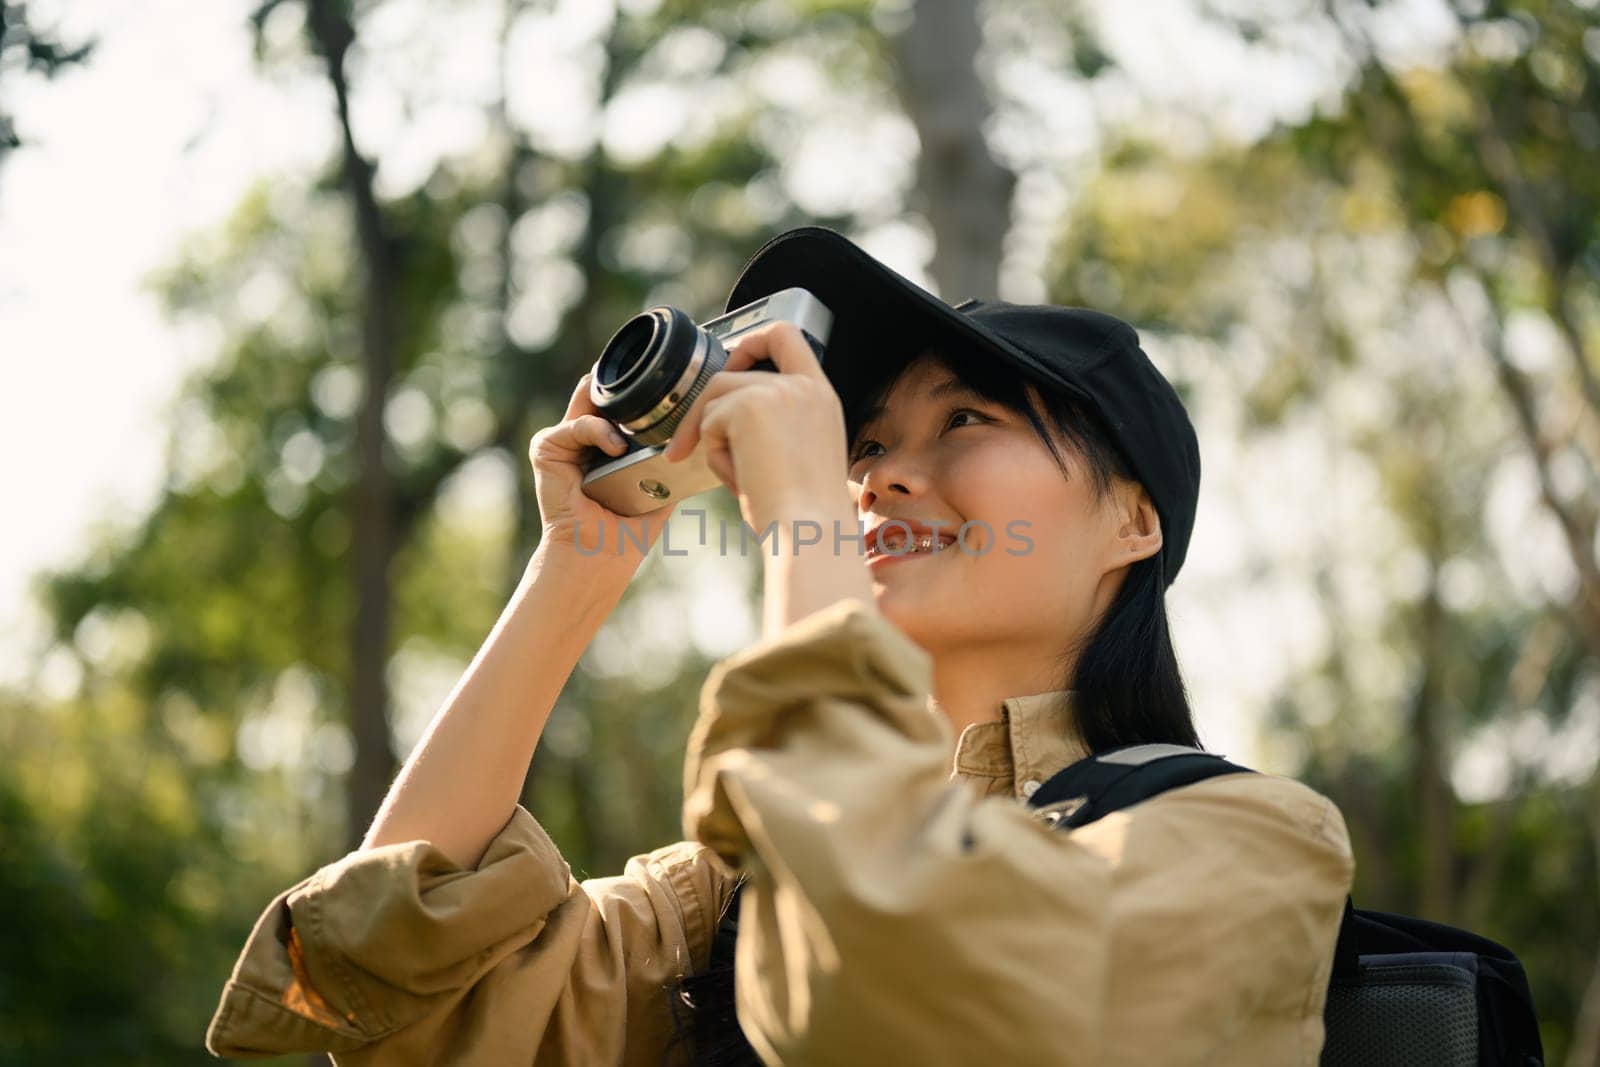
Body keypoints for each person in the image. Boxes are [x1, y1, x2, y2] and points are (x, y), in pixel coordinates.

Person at [204, 227, 1355, 1066]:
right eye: (862, 443)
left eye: (965, 419)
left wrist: (803, 512)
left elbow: (889, 977)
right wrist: (574, 577)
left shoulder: (1248, 837)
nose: (878, 475)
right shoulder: (729, 888)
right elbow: (410, 991)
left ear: (1132, 519)